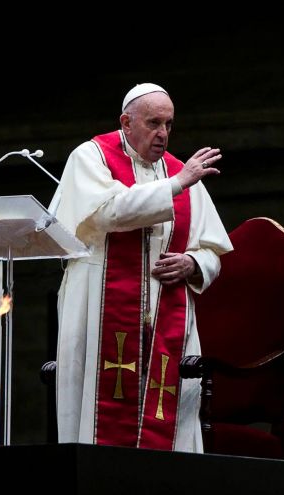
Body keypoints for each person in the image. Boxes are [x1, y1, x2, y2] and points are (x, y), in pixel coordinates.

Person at [48, 83, 233, 452]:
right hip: (100, 311)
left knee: (171, 423)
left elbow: (213, 250)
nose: (163, 133)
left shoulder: (182, 173)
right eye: (153, 123)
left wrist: (193, 262)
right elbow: (110, 211)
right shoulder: (91, 158)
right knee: (95, 418)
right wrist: (177, 184)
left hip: (165, 320)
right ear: (126, 122)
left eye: (168, 124)